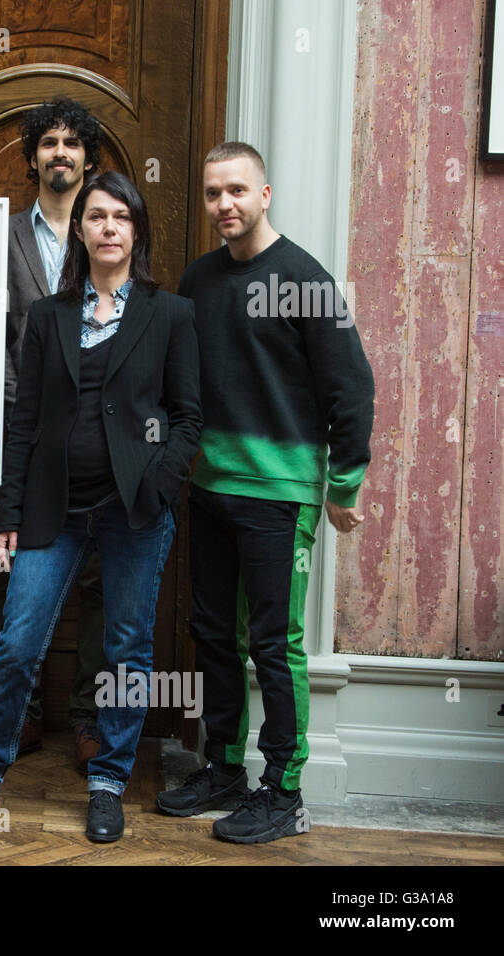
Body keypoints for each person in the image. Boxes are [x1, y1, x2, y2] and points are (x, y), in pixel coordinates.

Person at [0, 171, 202, 842]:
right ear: (82, 230)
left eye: (121, 216)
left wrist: (156, 483)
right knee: (17, 646)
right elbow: (25, 422)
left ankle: (109, 781)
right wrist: (8, 515)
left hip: (134, 514)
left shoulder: (170, 315)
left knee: (126, 650)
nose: (109, 227)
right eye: (97, 216)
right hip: (52, 511)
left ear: (136, 230)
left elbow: (188, 419)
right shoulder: (50, 318)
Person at [159, 142, 373, 843]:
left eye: (237, 191)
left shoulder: (304, 279)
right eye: (213, 192)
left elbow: (352, 388)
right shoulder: (199, 280)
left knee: (273, 644)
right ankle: (224, 770)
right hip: (211, 488)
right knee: (213, 636)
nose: (224, 204)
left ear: (265, 194)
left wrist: (343, 485)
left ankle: (284, 792)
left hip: (281, 495)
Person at [6, 96, 108, 768]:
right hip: (30, 433)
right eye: (49, 142)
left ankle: (90, 719)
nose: (60, 152)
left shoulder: (109, 231)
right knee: (22, 575)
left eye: (72, 142)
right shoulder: (2, 238)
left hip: (100, 438)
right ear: (34, 156)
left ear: (89, 159)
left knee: (100, 582)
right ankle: (23, 712)